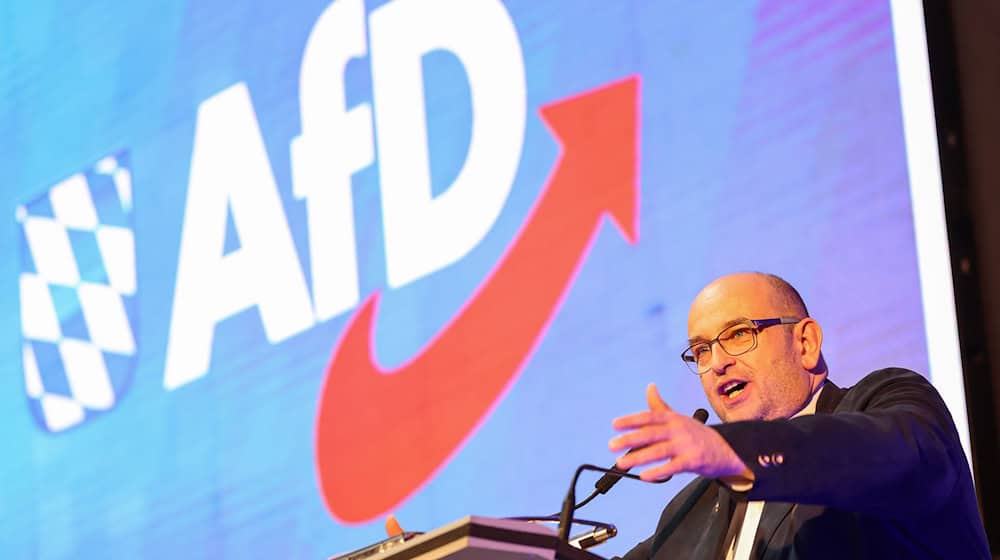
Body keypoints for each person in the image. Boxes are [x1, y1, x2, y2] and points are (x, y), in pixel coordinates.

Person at [607, 272, 990, 559]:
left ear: (805, 343)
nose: (718, 363)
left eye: (739, 334)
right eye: (702, 351)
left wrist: (737, 451)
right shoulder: (693, 506)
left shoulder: (887, 400)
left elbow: (895, 457)